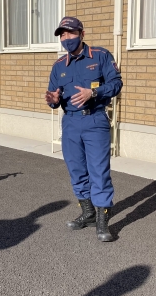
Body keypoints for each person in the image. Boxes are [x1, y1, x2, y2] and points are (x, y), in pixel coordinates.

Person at [45, 16, 123, 242]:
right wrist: (53, 100)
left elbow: (116, 83)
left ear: (82, 34)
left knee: (99, 171)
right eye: (62, 35)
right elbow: (54, 96)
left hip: (94, 120)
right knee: (77, 171)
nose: (66, 38)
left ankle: (102, 221)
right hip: (70, 122)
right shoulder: (59, 66)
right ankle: (88, 213)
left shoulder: (100, 56)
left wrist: (94, 92)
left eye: (70, 33)